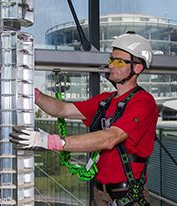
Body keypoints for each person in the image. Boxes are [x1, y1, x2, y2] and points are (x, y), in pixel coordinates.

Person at [10, 32, 158, 206]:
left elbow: (111, 137)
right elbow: (62, 109)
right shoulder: (105, 101)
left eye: (119, 61)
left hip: (128, 196)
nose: (111, 65)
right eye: (111, 60)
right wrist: (34, 95)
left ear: (137, 68)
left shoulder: (143, 102)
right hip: (101, 194)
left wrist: (50, 141)